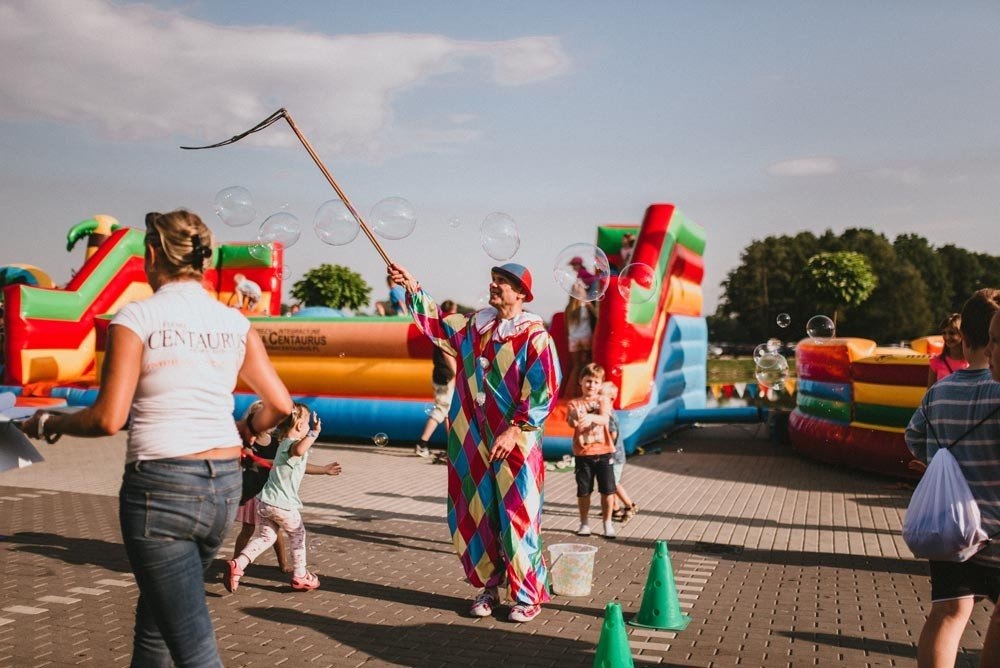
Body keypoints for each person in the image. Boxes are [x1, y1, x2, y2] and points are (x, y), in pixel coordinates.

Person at [18, 209, 294, 667]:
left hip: (163, 485)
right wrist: (247, 428)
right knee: (156, 621)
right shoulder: (235, 323)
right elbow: (281, 406)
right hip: (224, 483)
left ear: (150, 254)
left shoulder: (137, 317)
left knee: (193, 645)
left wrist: (50, 422)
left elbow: (108, 418)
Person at [388, 261, 561, 624]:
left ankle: (527, 594)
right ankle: (487, 587)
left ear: (521, 294)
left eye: (503, 283)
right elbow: (436, 325)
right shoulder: (473, 327)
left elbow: (545, 390)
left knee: (518, 515)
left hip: (517, 442)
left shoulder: (535, 337)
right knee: (475, 513)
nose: (494, 286)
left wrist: (515, 429)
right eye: (494, 280)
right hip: (470, 438)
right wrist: (412, 287)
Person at [905, 288, 1000, 667]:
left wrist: (938, 462)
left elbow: (914, 438)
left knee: (947, 613)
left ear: (965, 334)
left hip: (950, 527)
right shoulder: (997, 391)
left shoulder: (939, 392)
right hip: (995, 529)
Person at [227, 403, 327, 593]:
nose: (308, 426)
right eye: (306, 422)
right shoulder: (291, 445)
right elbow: (298, 451)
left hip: (265, 502)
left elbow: (300, 460)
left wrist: (324, 470)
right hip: (283, 504)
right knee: (298, 534)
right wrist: (314, 433)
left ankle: (238, 564)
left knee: (266, 537)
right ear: (298, 425)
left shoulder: (281, 444)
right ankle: (300, 575)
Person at [567, 363, 618, 539]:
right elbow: (572, 423)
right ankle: (584, 523)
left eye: (596, 382)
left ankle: (607, 523)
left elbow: (604, 419)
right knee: (583, 491)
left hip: (604, 452)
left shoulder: (603, 400)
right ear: (581, 381)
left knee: (608, 490)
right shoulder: (574, 403)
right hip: (583, 454)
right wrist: (574, 417)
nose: (591, 385)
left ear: (600, 384)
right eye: (588, 381)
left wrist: (590, 417)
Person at [415, 299, 458, 457]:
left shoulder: (439, 328)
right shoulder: (446, 330)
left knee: (447, 412)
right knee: (441, 411)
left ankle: (452, 446)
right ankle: (422, 443)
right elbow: (447, 355)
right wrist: (456, 374)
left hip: (440, 375)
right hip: (447, 377)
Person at [603, 382, 638, 523]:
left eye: (601, 396)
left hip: (614, 455)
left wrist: (606, 447)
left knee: (614, 483)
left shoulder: (609, 414)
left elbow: (613, 434)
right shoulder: (608, 412)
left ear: (610, 399)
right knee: (610, 481)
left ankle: (630, 505)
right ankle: (615, 508)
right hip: (614, 455)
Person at [563, 279, 597, 398]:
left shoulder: (569, 308)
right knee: (588, 365)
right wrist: (590, 306)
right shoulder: (585, 306)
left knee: (576, 367)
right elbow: (598, 316)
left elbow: (567, 328)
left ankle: (569, 395)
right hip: (585, 337)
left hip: (573, 339)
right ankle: (585, 393)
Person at [927, 313, 969, 387]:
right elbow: (930, 393)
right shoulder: (936, 361)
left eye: (952, 333)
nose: (947, 337)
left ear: (962, 334)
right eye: (944, 333)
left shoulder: (971, 362)